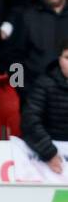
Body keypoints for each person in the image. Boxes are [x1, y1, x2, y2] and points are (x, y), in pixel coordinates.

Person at [21, 40, 68, 175]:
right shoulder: (43, 84)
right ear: (59, 59)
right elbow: (30, 121)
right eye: (67, 58)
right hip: (49, 159)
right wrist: (49, 153)